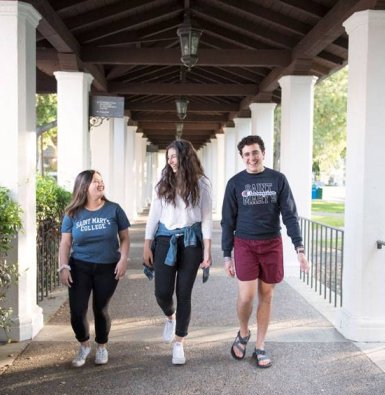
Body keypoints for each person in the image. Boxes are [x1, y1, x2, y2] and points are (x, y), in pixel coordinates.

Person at [221, 135, 309, 368]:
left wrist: (299, 248)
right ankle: (242, 333)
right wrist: (226, 254)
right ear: (242, 157)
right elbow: (228, 221)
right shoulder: (235, 183)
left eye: (255, 152)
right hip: (245, 244)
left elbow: (289, 214)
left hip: (271, 244)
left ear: (263, 153)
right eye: (247, 154)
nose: (252, 157)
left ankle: (260, 346)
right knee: (246, 296)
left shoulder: (278, 179)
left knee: (267, 296)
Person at [143, 139, 212, 365]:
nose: (170, 161)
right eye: (168, 157)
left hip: (191, 242)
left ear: (184, 157)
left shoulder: (201, 184)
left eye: (174, 156)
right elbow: (154, 215)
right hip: (165, 240)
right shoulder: (163, 182)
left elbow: (207, 219)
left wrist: (207, 252)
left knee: (184, 294)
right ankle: (169, 317)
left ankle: (179, 343)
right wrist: (147, 244)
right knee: (162, 292)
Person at [59, 170, 130, 368]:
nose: (100, 184)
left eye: (101, 181)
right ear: (84, 187)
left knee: (100, 308)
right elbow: (65, 243)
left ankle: (101, 346)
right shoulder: (72, 213)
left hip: (108, 267)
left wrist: (123, 259)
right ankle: (84, 344)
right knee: (77, 311)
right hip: (79, 267)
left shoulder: (114, 209)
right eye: (95, 182)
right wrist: (63, 267)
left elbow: (124, 238)